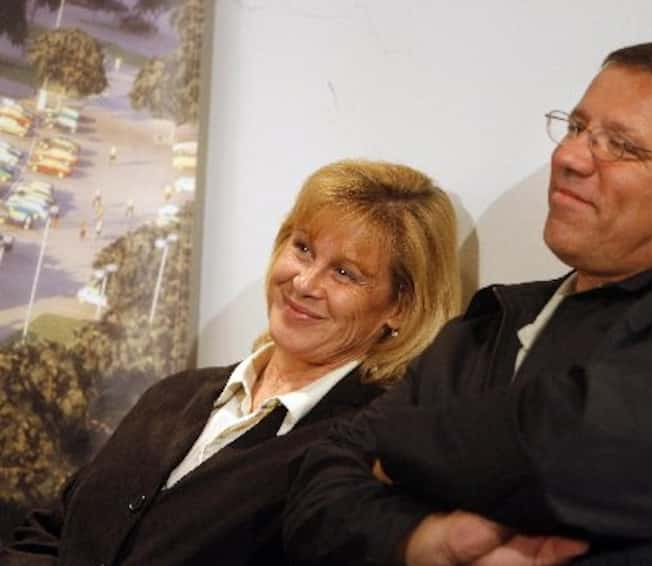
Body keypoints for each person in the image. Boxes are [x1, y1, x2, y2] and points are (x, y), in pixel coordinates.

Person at [282, 42, 652, 565]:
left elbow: (555, 455)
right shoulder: (489, 324)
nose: (569, 157)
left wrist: (390, 452)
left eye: (622, 146)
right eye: (577, 128)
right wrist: (422, 541)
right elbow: (318, 493)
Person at [1, 159, 462, 565]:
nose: (304, 282)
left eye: (345, 273)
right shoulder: (176, 393)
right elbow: (52, 530)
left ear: (400, 307)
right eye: (302, 248)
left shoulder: (367, 454)